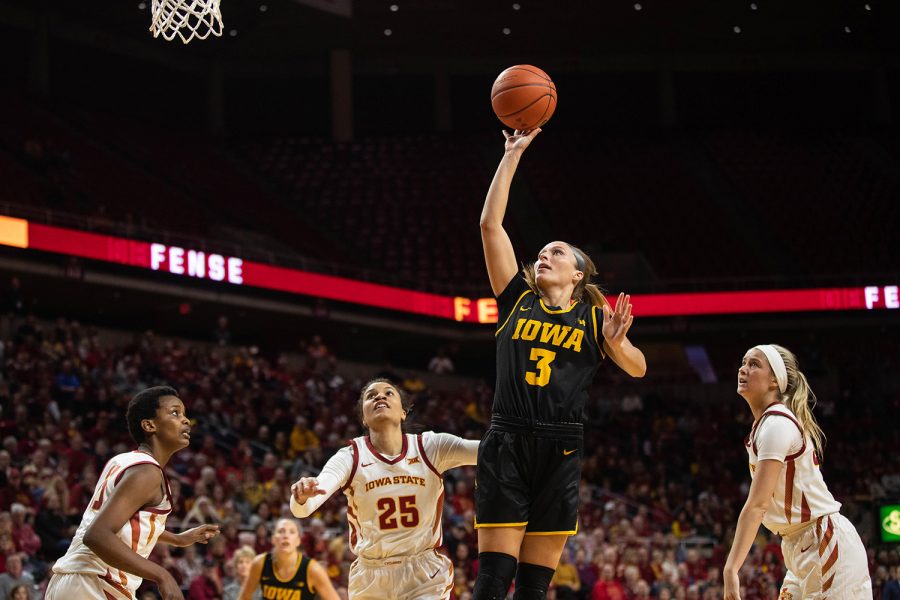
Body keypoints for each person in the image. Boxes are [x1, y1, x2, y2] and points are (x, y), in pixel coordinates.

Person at [473, 127, 646, 600]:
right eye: (542, 252)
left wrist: (618, 342)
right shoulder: (515, 299)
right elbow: (491, 224)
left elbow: (638, 369)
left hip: (561, 446)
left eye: (557, 253)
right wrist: (511, 155)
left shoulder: (595, 317)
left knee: (533, 587)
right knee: (492, 579)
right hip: (508, 437)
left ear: (578, 273)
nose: (543, 256)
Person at [290, 378, 480, 599]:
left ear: (403, 413)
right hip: (371, 576)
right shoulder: (350, 457)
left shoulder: (430, 447)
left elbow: (487, 452)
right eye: (371, 395)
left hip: (422, 571)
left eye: (389, 393)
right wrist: (302, 497)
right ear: (364, 418)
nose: (380, 396)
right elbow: (305, 506)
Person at [723, 344, 872, 599]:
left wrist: (731, 569)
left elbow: (757, 505)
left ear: (774, 381)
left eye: (754, 364)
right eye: (743, 362)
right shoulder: (764, 425)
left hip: (823, 539)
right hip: (798, 545)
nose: (743, 369)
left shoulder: (777, 425)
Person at [45, 386, 220, 600]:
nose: (185, 420)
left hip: (75, 580)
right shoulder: (147, 473)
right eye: (175, 412)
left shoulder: (124, 461)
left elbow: (121, 523)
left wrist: (178, 539)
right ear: (149, 425)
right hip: (95, 582)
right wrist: (162, 575)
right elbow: (97, 535)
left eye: (184, 414)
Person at [238, 517, 338, 600]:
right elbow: (244, 597)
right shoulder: (260, 563)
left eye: (291, 532)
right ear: (273, 539)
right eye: (281, 531)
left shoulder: (312, 570)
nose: (286, 536)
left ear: (298, 540)